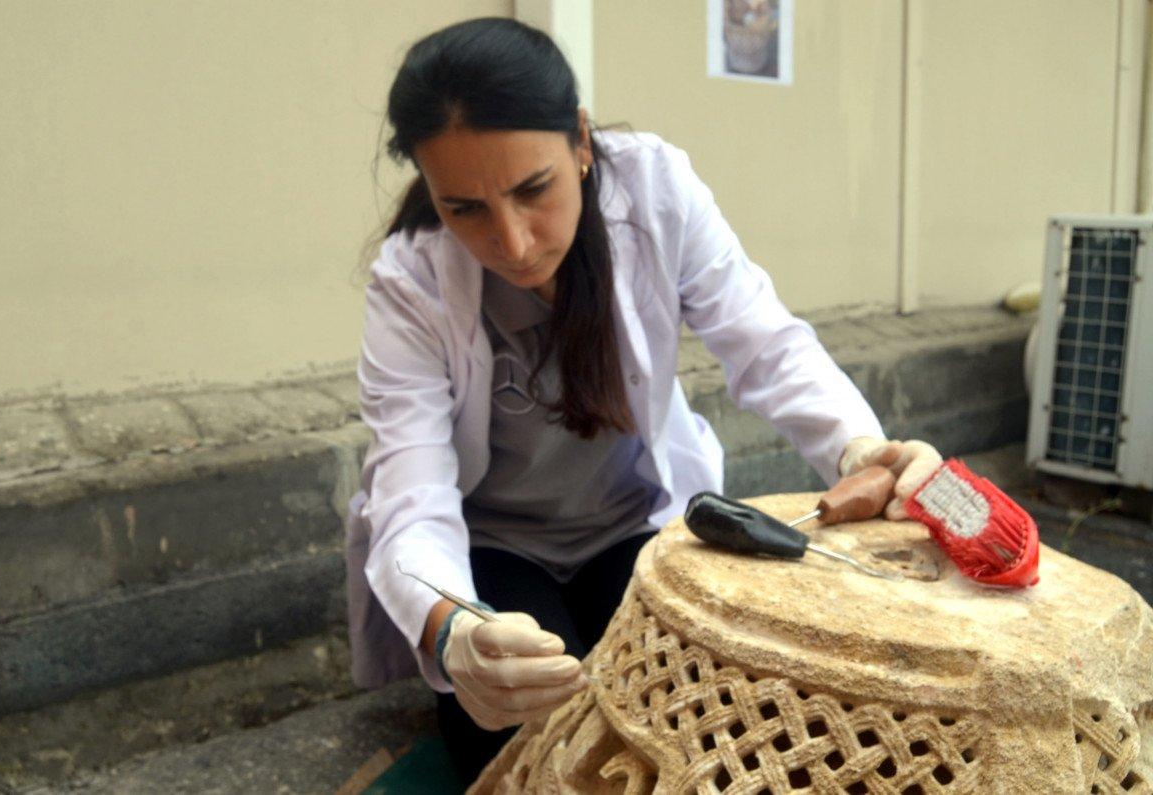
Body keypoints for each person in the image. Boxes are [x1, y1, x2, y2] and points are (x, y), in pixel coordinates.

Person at [344, 16, 942, 785]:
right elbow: (412, 493)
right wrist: (455, 628)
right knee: (534, 740)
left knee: (698, 713)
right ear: (429, 190)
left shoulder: (656, 192)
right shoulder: (410, 279)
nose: (515, 242)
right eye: (464, 208)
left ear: (581, 142)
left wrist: (859, 446)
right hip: (494, 544)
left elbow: (763, 341)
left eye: (535, 190)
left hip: (633, 521)